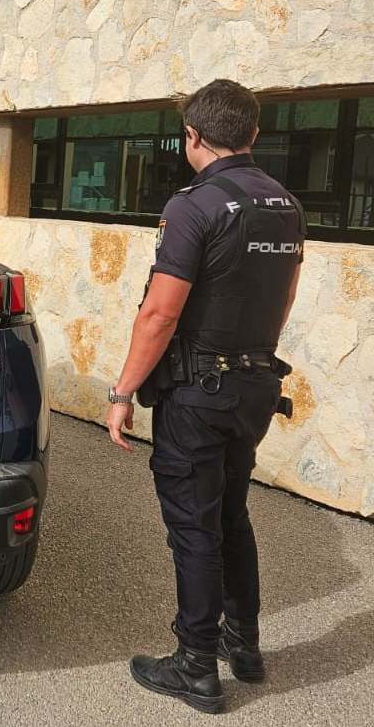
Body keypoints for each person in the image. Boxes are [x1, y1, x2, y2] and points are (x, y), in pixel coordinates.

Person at [105, 79, 304, 714]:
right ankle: (242, 646)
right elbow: (285, 297)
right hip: (253, 387)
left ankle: (195, 665)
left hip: (199, 391)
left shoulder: (195, 206)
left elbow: (159, 314)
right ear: (250, 134)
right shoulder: (284, 204)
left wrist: (122, 391)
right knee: (231, 516)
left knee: (194, 526)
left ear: (194, 136)